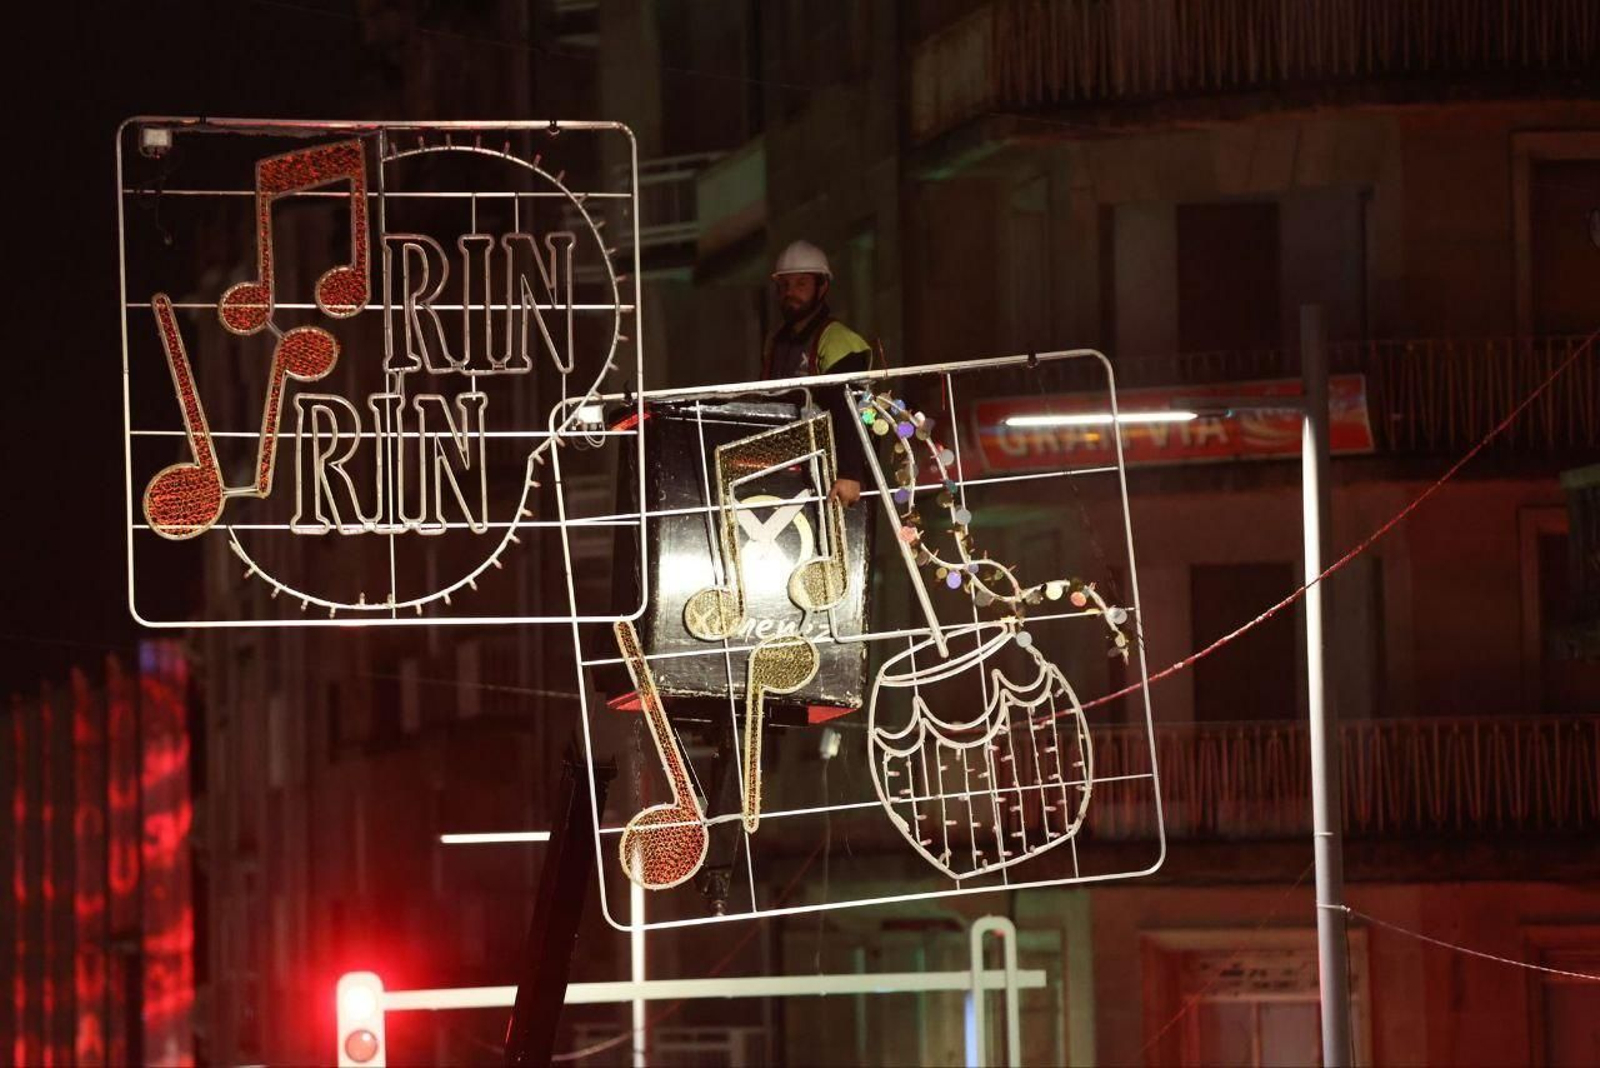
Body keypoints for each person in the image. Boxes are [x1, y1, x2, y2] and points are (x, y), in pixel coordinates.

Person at [762, 240, 872, 507]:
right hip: (788, 461)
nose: (791, 293)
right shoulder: (776, 342)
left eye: (801, 284)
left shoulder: (839, 341)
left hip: (832, 471)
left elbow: (850, 413)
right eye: (785, 286)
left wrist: (850, 474)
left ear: (821, 287)